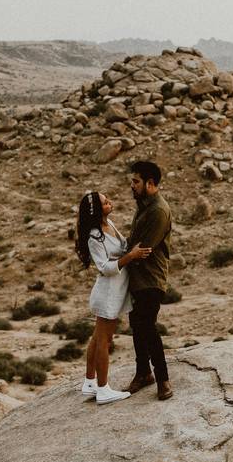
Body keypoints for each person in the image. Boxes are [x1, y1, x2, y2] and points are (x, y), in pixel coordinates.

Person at [74, 191, 151, 405]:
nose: (110, 202)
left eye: (108, 198)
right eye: (105, 202)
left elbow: (122, 246)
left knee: (97, 338)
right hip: (107, 293)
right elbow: (105, 268)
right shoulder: (94, 236)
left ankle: (90, 381)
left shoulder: (110, 225)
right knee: (104, 341)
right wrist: (131, 256)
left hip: (115, 292)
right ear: (96, 210)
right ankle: (103, 388)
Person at [123, 160, 174, 400]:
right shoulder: (143, 205)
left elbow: (143, 249)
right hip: (138, 279)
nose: (131, 186)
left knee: (147, 327)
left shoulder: (158, 210)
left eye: (136, 182)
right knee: (138, 325)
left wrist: (121, 258)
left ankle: (162, 379)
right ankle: (143, 373)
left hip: (151, 278)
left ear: (150, 184)